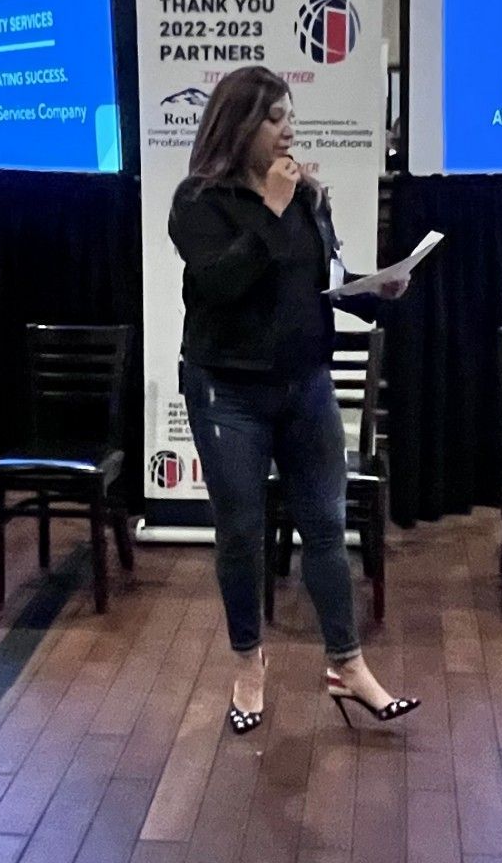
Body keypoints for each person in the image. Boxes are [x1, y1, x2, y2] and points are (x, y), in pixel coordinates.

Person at [168, 66, 420, 735]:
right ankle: (248, 667)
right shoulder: (197, 200)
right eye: (276, 117)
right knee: (243, 534)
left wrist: (370, 287)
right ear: (240, 124)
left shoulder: (306, 194)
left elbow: (320, 277)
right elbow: (216, 287)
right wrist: (271, 214)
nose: (289, 129)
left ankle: (347, 665)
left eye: (289, 115)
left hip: (304, 383)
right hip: (228, 391)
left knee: (327, 529)